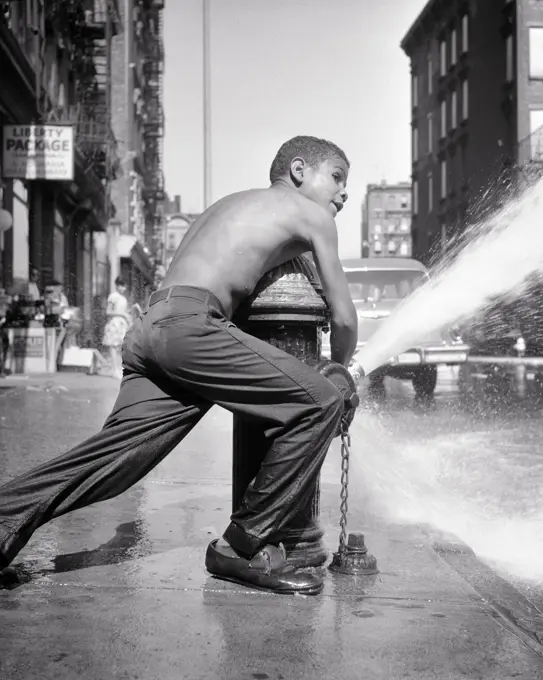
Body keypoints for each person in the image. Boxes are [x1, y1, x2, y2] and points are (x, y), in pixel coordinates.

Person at [0, 136, 358, 595]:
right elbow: (344, 317)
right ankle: (240, 548)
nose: (342, 194)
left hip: (152, 325)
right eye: (337, 177)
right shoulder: (313, 215)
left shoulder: (231, 205)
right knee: (321, 402)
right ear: (299, 170)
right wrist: (341, 370)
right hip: (190, 326)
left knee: (114, 462)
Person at [102, 277, 131, 380]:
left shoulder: (123, 298)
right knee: (113, 346)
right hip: (114, 322)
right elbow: (108, 312)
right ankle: (114, 369)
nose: (122, 288)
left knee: (119, 347)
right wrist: (122, 314)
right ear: (116, 286)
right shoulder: (113, 296)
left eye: (124, 285)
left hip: (122, 324)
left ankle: (117, 368)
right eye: (120, 285)